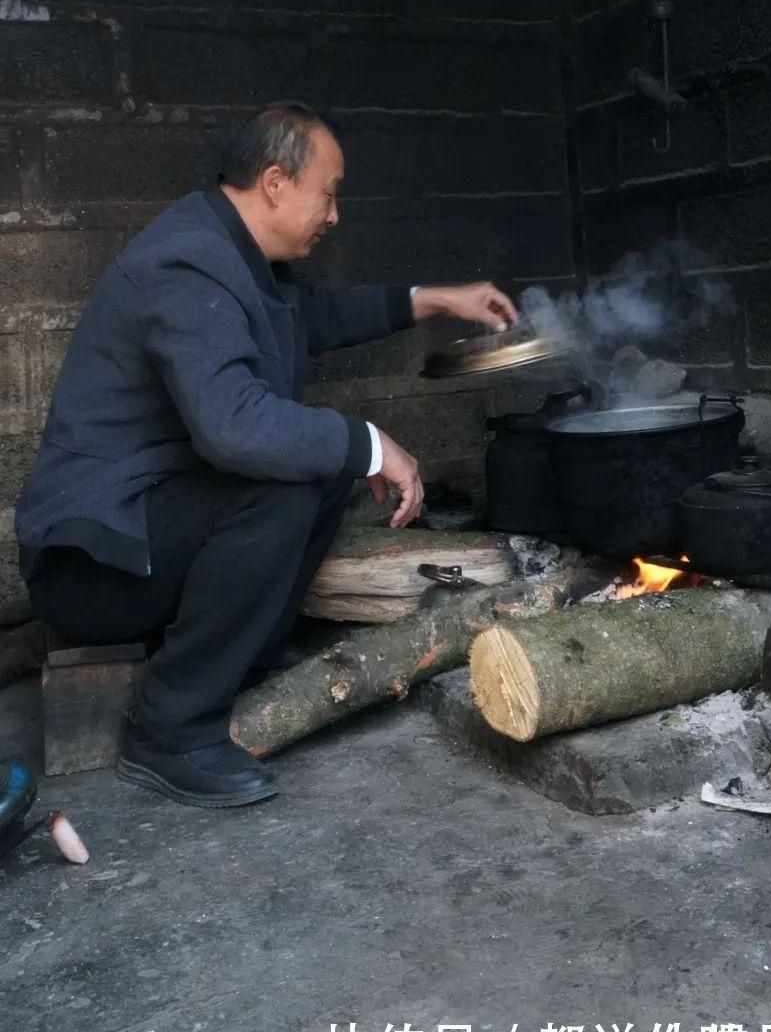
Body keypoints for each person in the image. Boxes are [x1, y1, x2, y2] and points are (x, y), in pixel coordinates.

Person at [15, 102, 518, 809]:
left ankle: (238, 662)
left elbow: (312, 319)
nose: (335, 215)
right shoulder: (186, 261)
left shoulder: (237, 258)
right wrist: (368, 444)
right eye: (330, 192)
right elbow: (232, 428)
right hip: (92, 567)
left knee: (312, 471)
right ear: (276, 182)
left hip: (141, 537)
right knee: (282, 482)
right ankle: (168, 726)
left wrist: (434, 300)